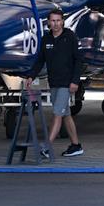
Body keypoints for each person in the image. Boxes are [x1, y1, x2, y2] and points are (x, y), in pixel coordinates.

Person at [31, 9, 84, 158]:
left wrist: (75, 81)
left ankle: (47, 148)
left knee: (57, 114)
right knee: (65, 114)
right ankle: (76, 145)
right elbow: (40, 60)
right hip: (54, 82)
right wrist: (30, 76)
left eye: (58, 20)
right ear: (48, 22)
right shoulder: (46, 39)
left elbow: (78, 60)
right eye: (52, 21)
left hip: (66, 83)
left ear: (63, 21)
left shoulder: (70, 37)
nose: (55, 24)